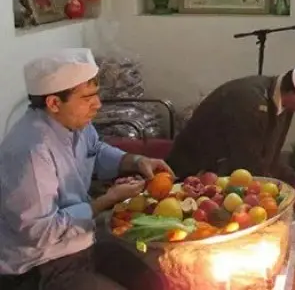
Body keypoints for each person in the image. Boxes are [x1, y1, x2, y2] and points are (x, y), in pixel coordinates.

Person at [0, 48, 172, 290]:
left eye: (97, 95)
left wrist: (134, 161)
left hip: (82, 240)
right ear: (53, 103)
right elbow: (39, 232)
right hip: (39, 265)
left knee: (156, 281)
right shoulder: (31, 151)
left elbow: (96, 151)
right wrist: (105, 201)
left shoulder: (77, 125)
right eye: (87, 98)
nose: (98, 105)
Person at [166, 63, 295, 216]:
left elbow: (270, 156)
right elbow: (246, 166)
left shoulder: (285, 102)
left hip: (226, 180)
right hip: (192, 180)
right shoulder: (248, 101)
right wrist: (290, 202)